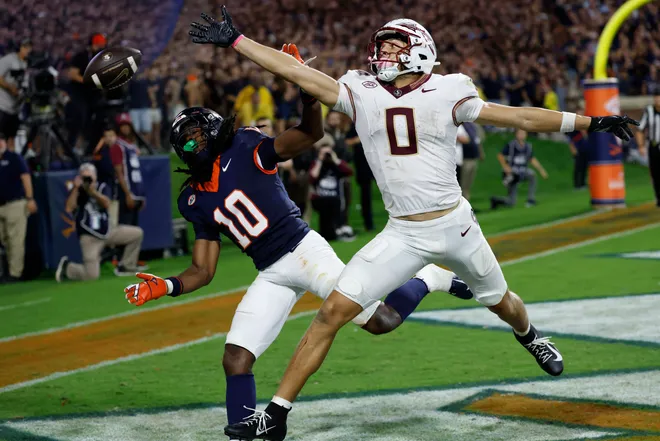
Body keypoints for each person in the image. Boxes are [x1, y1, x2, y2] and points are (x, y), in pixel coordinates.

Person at [190, 10, 639, 440]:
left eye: (392, 46)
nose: (381, 54)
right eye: (380, 46)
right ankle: (276, 415)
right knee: (331, 314)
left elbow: (518, 116)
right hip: (402, 232)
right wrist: (237, 41)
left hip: (455, 225)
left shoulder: (449, 90)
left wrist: (591, 120)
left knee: (503, 303)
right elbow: (302, 76)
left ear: (419, 51)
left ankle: (531, 336)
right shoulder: (360, 89)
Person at [123, 45, 473, 441]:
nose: (194, 144)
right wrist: (165, 286)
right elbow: (203, 271)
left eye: (197, 134)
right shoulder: (192, 198)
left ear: (215, 127)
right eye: (185, 141)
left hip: (305, 252)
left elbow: (310, 133)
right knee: (235, 358)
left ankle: (431, 277)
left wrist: (308, 93)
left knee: (381, 322)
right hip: (270, 271)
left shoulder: (245, 146)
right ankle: (248, 432)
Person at [55, 163, 143, 281]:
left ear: (95, 177)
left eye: (89, 177)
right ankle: (68, 267)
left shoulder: (102, 187)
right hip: (89, 237)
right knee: (91, 276)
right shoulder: (77, 191)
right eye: (84, 177)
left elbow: (106, 203)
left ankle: (127, 266)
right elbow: (69, 208)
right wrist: (76, 188)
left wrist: (93, 193)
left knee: (137, 234)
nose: (88, 180)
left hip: (108, 231)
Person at [0, 133, 37, 282]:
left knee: (16, 240)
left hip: (15, 204)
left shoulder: (14, 158)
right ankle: (7, 270)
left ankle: (15, 274)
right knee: (4, 240)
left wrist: (30, 199)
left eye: (1, 140)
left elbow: (26, 177)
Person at [66, 33, 106, 150]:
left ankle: (93, 147)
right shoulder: (81, 56)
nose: (99, 48)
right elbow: (72, 74)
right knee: (80, 117)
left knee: (100, 118)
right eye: (97, 45)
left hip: (95, 95)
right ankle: (71, 146)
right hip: (80, 94)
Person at [309, 135, 353, 241]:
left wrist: (335, 159)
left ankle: (336, 231)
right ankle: (327, 234)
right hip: (321, 198)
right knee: (326, 206)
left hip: (335, 198)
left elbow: (349, 172)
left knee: (334, 204)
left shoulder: (336, 164)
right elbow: (312, 177)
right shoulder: (316, 163)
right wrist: (320, 160)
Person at [490, 129, 548, 209]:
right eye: (520, 133)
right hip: (512, 174)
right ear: (516, 135)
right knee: (511, 202)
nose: (522, 135)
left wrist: (541, 170)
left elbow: (532, 159)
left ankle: (530, 200)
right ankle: (495, 200)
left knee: (532, 175)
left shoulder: (528, 146)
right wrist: (506, 167)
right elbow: (500, 156)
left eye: (523, 133)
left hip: (522, 171)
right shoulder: (511, 145)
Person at [0, 39, 31, 152]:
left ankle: (10, 162)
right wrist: (10, 87)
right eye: (25, 47)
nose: (28, 50)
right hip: (2, 105)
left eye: (29, 48)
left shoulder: (26, 63)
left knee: (11, 138)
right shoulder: (8, 60)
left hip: (15, 108)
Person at [346, 123, 374, 231]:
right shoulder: (356, 126)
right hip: (363, 164)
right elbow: (347, 142)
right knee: (366, 195)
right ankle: (369, 223)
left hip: (377, 162)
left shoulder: (373, 124)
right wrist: (359, 139)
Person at [635, 93, 660, 207]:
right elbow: (640, 129)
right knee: (655, 172)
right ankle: (659, 198)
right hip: (654, 145)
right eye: (656, 97)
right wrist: (641, 145)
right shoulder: (649, 111)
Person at [458, 121, 485, 201]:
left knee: (468, 183)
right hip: (465, 158)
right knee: (463, 182)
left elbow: (478, 140)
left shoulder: (473, 126)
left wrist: (481, 153)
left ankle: (466, 201)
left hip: (473, 157)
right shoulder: (461, 125)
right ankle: (462, 202)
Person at [567, 112, 590, 190]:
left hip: (586, 149)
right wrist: (573, 149)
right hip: (578, 150)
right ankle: (577, 185)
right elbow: (570, 140)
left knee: (584, 167)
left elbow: (587, 137)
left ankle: (583, 184)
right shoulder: (573, 128)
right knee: (578, 168)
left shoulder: (586, 127)